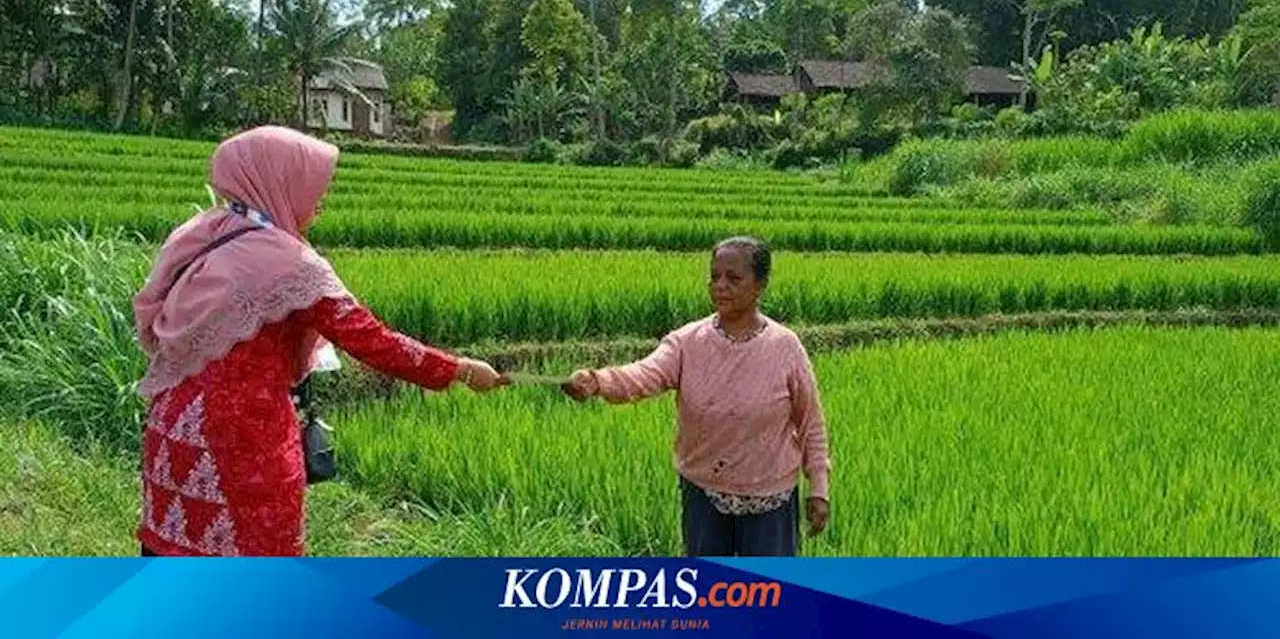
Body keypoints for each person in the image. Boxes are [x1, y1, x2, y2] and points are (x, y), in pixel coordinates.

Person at [131, 126, 507, 557]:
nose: (320, 201)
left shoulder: (204, 233)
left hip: (173, 431)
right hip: (239, 443)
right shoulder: (290, 264)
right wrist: (456, 368)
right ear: (280, 181)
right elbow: (369, 339)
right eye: (314, 188)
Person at [563, 236, 831, 556]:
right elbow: (644, 374)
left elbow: (811, 422)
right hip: (704, 494)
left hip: (770, 499)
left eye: (733, 278)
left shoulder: (785, 347)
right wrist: (597, 381)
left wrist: (819, 488)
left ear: (759, 285)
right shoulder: (687, 342)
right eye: (714, 276)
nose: (720, 285)